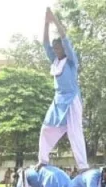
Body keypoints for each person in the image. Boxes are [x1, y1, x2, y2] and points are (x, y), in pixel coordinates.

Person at [38, 7, 88, 171]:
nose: (55, 49)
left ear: (64, 48)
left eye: (58, 47)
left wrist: (54, 20)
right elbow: (45, 43)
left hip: (72, 99)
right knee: (47, 128)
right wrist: (46, 24)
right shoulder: (54, 60)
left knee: (75, 132)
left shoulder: (71, 61)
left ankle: (82, 166)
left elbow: (65, 37)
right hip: (58, 100)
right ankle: (43, 160)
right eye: (54, 48)